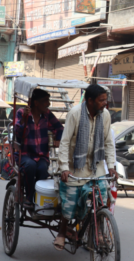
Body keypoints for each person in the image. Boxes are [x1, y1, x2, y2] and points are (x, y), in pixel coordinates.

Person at [55, 84, 117, 250]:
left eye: (105, 99)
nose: (105, 103)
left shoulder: (105, 116)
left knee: (102, 198)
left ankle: (99, 232)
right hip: (75, 167)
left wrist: (111, 166)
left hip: (96, 166)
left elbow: (108, 142)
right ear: (90, 101)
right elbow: (65, 142)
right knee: (70, 201)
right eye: (101, 100)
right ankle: (62, 230)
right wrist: (64, 168)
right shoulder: (75, 114)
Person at [15, 89, 64, 209]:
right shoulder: (22, 112)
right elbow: (17, 133)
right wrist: (24, 120)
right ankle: (29, 197)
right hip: (25, 154)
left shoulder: (47, 114)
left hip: (41, 155)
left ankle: (38, 197)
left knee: (42, 169)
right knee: (30, 166)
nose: (48, 104)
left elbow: (59, 128)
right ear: (36, 103)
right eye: (45, 101)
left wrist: (58, 137)